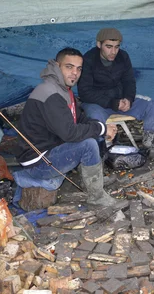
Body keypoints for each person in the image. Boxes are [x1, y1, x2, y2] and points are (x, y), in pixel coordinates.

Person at [15, 47, 118, 207]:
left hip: (51, 149)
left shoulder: (64, 90)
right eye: (69, 67)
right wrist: (102, 129)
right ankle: (97, 198)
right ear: (57, 66)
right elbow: (70, 133)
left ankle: (93, 182)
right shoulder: (50, 93)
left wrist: (101, 127)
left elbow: (80, 119)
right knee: (88, 145)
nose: (75, 73)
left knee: (93, 133)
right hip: (38, 163)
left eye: (79, 68)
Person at [78, 28, 154, 159]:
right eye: (108, 47)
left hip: (120, 100)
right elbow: (85, 92)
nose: (113, 52)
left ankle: (150, 144)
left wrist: (128, 99)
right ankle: (101, 152)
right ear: (99, 44)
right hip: (98, 103)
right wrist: (112, 103)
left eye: (116, 47)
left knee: (151, 105)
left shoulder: (123, 57)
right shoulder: (88, 60)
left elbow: (129, 81)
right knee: (94, 116)